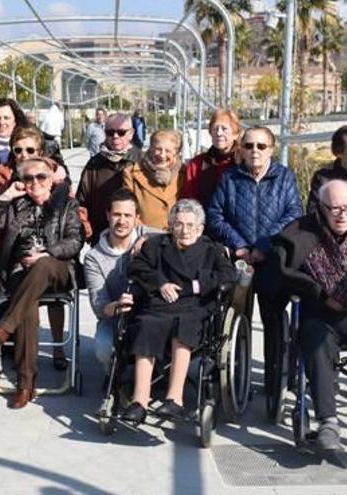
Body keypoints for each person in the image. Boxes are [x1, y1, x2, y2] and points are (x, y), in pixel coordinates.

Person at [265, 180, 347, 456]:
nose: (342, 214)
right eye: (334, 208)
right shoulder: (300, 231)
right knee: (315, 338)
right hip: (319, 313)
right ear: (320, 208)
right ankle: (328, 422)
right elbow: (282, 271)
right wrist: (321, 293)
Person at [207, 126, 303, 404]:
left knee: (274, 322)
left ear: (271, 149)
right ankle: (237, 378)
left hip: (272, 260)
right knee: (236, 319)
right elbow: (215, 215)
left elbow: (294, 213)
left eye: (261, 146)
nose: (255, 151)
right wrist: (240, 246)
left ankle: (276, 383)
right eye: (249, 146)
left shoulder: (284, 177)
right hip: (240, 260)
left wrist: (263, 246)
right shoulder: (230, 178)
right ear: (241, 149)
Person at [120, 199, 236, 423]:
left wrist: (195, 286)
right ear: (171, 226)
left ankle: (175, 399)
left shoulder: (211, 250)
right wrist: (160, 283)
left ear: (200, 228)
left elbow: (228, 276)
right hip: (158, 305)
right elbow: (137, 268)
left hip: (194, 306)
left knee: (184, 325)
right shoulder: (156, 246)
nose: (184, 230)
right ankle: (139, 401)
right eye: (179, 224)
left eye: (190, 225)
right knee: (145, 324)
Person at [0, 157, 85, 409]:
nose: (35, 182)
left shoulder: (67, 204)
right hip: (20, 273)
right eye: (28, 178)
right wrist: (5, 196)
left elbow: (75, 240)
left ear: (52, 179)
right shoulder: (16, 205)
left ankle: (6, 325)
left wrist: (47, 254)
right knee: (27, 309)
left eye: (41, 177)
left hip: (57, 268)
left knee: (41, 266)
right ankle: (25, 383)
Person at [84, 188, 160, 371]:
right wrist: (116, 305)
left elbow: (178, 236)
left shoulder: (146, 233)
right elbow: (99, 306)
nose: (122, 221)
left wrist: (147, 238)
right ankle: (113, 373)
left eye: (128, 215)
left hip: (150, 315)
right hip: (115, 319)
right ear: (107, 215)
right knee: (103, 349)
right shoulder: (93, 257)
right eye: (117, 214)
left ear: (137, 218)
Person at [76, 113, 142, 245]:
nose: (115, 136)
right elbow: (81, 200)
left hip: (135, 238)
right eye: (110, 132)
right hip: (101, 238)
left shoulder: (142, 161)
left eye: (121, 132)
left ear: (131, 133)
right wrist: (85, 223)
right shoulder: (94, 164)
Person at [122, 129, 186, 230]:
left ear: (176, 153)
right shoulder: (132, 173)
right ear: (151, 149)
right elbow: (127, 210)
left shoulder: (185, 174)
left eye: (168, 151)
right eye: (158, 149)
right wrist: (144, 232)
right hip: (144, 238)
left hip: (177, 238)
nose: (162, 155)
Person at [179, 109, 241, 209]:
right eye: (215, 129)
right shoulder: (197, 164)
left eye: (224, 129)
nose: (219, 133)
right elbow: (189, 198)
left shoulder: (244, 162)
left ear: (235, 134)